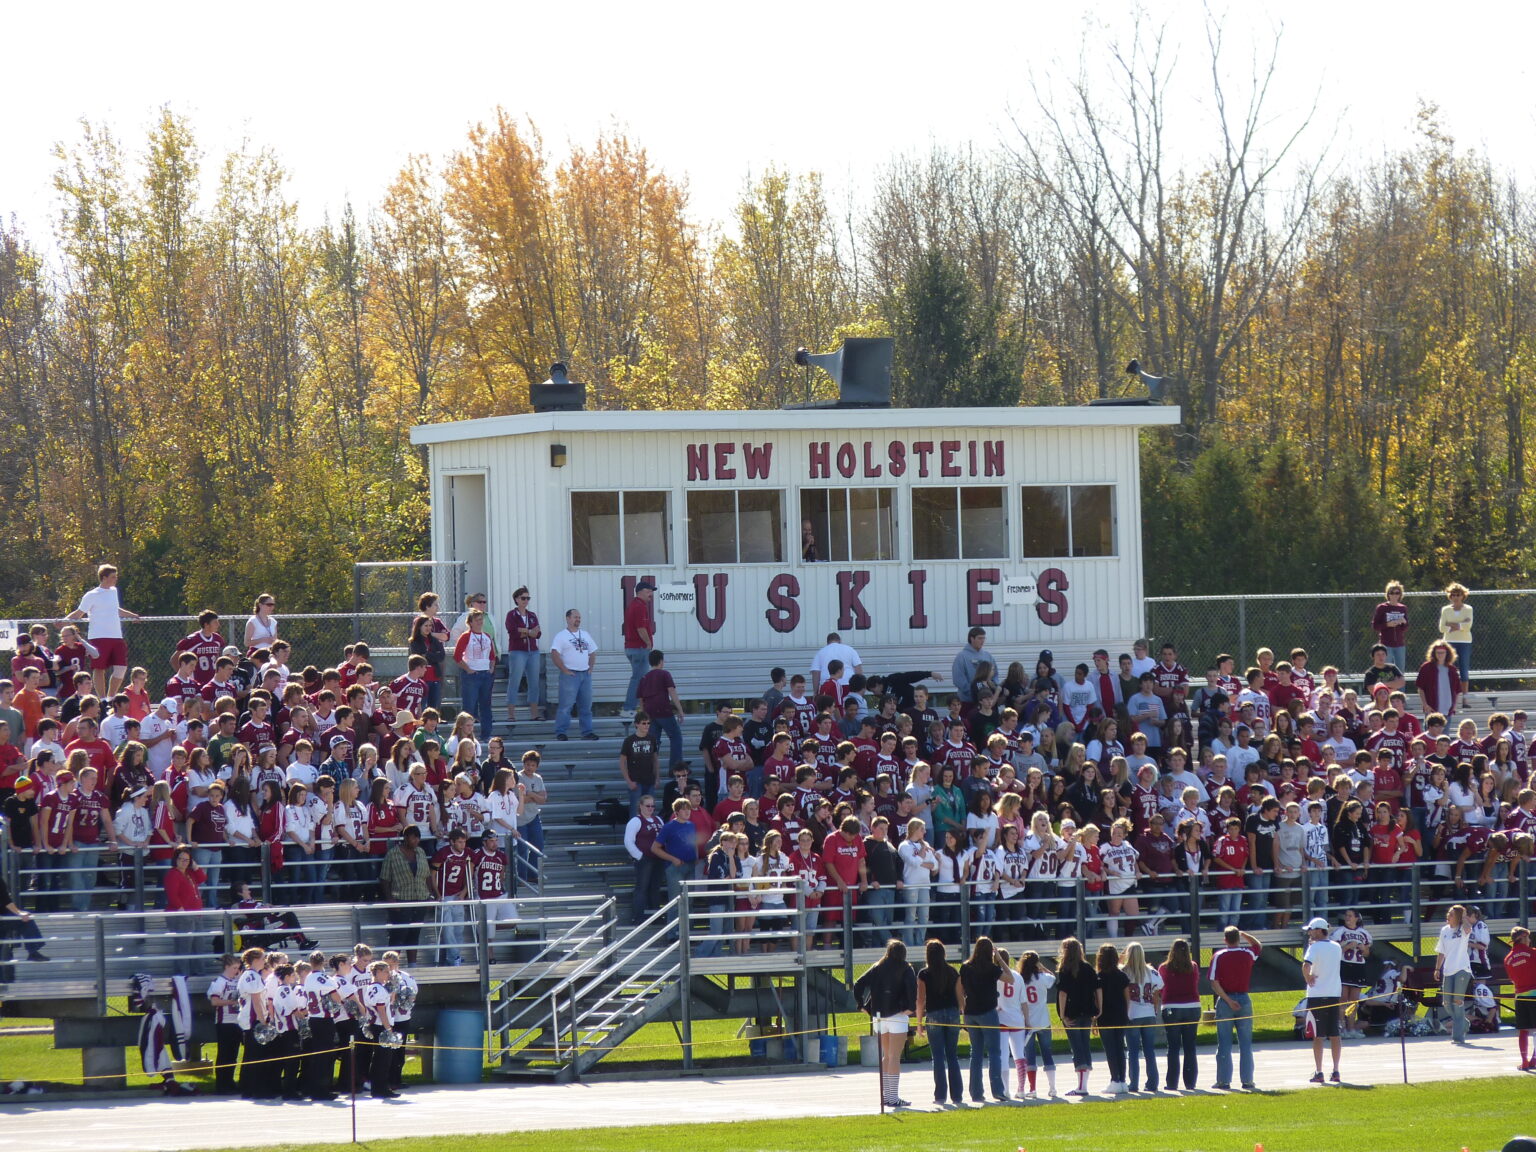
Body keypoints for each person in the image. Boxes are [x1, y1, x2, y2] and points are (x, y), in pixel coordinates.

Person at [853, 937, 918, 1108]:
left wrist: (861, 1005)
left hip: (879, 1016)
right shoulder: (906, 968)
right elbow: (912, 989)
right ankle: (893, 1097)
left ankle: (886, 1096)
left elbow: (858, 983)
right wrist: (910, 1008)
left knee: (886, 1056)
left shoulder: (877, 967)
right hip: (897, 1014)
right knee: (894, 1056)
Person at [65, 563, 140, 697]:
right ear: (104, 578)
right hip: (99, 637)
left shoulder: (113, 591)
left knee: (121, 668)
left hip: (116, 637)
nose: (115, 579)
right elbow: (79, 613)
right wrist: (64, 622)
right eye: (113, 577)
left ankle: (111, 697)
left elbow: (116, 610)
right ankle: (103, 699)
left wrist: (132, 615)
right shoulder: (92, 595)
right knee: (99, 668)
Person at [1209, 925, 1262, 1090]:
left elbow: (1214, 982)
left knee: (1224, 1042)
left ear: (1225, 939)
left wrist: (1227, 999)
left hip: (1226, 1000)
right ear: (1238, 938)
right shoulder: (1247, 954)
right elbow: (1258, 946)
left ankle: (1223, 1081)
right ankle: (1247, 1080)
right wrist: (1244, 933)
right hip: (1244, 998)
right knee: (1245, 1043)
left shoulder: (1219, 955)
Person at [914, 938, 964, 1106]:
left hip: (934, 1015)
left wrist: (919, 1022)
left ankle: (940, 1096)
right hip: (952, 1014)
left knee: (938, 1057)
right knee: (952, 1056)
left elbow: (920, 1000)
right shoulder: (953, 972)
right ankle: (957, 1095)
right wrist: (961, 1014)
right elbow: (960, 998)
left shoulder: (924, 974)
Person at [959, 935, 1008, 1103]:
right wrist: (1000, 959)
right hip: (988, 1012)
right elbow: (1011, 978)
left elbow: (960, 989)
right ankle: (998, 1091)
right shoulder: (991, 968)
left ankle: (976, 1093)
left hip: (971, 1012)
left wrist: (963, 1009)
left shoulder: (966, 967)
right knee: (994, 1052)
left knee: (976, 1053)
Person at [378, 826, 431, 962]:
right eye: (412, 837)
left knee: (415, 933)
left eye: (417, 837)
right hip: (401, 899)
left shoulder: (420, 852)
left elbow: (427, 876)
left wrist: (431, 895)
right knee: (398, 935)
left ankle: (412, 965)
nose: (415, 840)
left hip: (420, 898)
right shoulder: (393, 854)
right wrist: (390, 899)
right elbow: (384, 878)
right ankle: (390, 966)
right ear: (405, 838)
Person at [1302, 915, 1345, 1084]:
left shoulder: (1314, 947)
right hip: (1334, 992)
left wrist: (1308, 977)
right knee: (1335, 1033)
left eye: (1312, 930)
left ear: (1320, 931)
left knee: (1317, 1035)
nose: (1310, 933)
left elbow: (1306, 965)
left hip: (1317, 994)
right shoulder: (1336, 947)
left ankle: (1319, 1070)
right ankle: (1336, 1070)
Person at [1054, 935, 1097, 1096]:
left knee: (1077, 1047)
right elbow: (1096, 989)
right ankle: (1083, 1082)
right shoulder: (1088, 968)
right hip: (1086, 1011)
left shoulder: (1065, 970)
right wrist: (1097, 1009)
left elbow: (1063, 994)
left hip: (1072, 1013)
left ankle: (1081, 1086)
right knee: (1084, 1045)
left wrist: (1063, 1014)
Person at [549, 608, 598, 741]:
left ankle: (587, 732)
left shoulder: (585, 634)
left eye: (579, 617)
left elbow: (592, 652)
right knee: (566, 705)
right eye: (575, 617)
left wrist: (590, 668)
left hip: (585, 674)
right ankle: (561, 732)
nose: (578, 619)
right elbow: (554, 653)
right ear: (568, 618)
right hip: (570, 675)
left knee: (586, 706)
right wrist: (564, 669)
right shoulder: (561, 636)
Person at [451, 609, 497, 746]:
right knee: (469, 706)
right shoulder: (466, 636)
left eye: (481, 620)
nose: (480, 622)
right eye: (476, 620)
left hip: (485, 674)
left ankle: (486, 734)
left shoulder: (487, 636)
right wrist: (468, 669)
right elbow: (457, 656)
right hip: (472, 675)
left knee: (486, 706)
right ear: (470, 622)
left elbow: (492, 655)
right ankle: (465, 736)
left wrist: (491, 668)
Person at [503, 587, 546, 726]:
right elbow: (513, 632)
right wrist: (529, 631)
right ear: (516, 599)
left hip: (533, 651)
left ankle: (534, 714)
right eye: (523, 598)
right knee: (514, 680)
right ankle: (511, 714)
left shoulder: (532, 615)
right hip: (518, 651)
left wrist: (524, 631)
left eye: (528, 598)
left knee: (534, 682)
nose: (526, 601)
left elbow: (538, 633)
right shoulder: (511, 615)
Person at [163, 845, 206, 979]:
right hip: (182, 916)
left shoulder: (189, 873)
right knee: (183, 946)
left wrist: (195, 866)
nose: (183, 862)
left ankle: (199, 973)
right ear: (175, 860)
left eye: (186, 860)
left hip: (195, 914)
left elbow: (202, 878)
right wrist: (181, 910)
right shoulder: (173, 874)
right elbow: (172, 894)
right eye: (181, 859)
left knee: (198, 945)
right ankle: (182, 975)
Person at [1435, 903, 1474, 1044]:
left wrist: (1463, 916)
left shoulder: (1462, 929)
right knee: (1447, 1003)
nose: (1448, 916)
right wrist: (1437, 968)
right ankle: (1463, 1023)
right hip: (1448, 970)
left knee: (1458, 1002)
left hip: (1462, 969)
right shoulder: (1444, 930)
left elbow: (1468, 929)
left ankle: (1458, 1037)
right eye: (1449, 913)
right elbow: (1441, 951)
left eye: (1452, 914)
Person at [621, 580, 657, 720]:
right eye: (648, 592)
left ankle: (635, 707)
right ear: (640, 592)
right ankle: (628, 709)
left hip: (632, 647)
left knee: (639, 678)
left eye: (651, 592)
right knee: (638, 679)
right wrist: (648, 643)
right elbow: (640, 628)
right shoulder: (639, 606)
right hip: (639, 648)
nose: (651, 595)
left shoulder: (633, 605)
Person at [1504, 925, 1535, 1071]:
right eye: (1528, 937)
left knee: (1523, 1030)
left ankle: (1524, 1062)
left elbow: (1513, 979)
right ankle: (1534, 1058)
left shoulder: (1508, 959)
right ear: (1522, 938)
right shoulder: (1533, 953)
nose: (1529, 940)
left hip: (1520, 996)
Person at [1439, 582, 1474, 691]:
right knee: (1449, 669)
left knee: (1464, 669)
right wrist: (1460, 625)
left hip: (1465, 642)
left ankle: (1465, 697)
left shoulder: (1468, 609)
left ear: (1463, 595)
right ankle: (1449, 693)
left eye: (1458, 595)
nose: (1455, 597)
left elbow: (1468, 626)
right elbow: (1442, 628)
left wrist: (1452, 624)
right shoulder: (1445, 609)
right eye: (1453, 595)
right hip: (1449, 642)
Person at [1417, 641, 1464, 720]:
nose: (1440, 655)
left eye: (1442, 653)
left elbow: (1457, 691)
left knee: (1445, 733)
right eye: (1438, 652)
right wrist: (1425, 705)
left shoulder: (1452, 670)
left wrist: (1454, 707)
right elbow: (1421, 688)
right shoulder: (1426, 668)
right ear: (1434, 653)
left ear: (1447, 654)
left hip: (1448, 711)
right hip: (1431, 710)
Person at [951, 628, 995, 706]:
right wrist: (975, 693)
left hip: (987, 703)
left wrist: (991, 691)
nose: (982, 641)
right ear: (972, 638)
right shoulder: (961, 657)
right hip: (967, 701)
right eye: (979, 638)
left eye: (984, 638)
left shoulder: (988, 656)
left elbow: (995, 675)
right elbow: (958, 679)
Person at [1373, 581, 1410, 670]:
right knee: (1386, 670)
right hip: (1386, 644)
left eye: (1397, 593)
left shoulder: (1402, 608)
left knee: (1400, 671)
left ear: (1400, 595)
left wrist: (1404, 622)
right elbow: (1375, 625)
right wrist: (1387, 624)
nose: (1394, 595)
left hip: (1400, 644)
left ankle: (1400, 685)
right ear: (1388, 594)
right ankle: (1386, 684)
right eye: (1392, 593)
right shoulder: (1382, 607)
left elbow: (1405, 628)